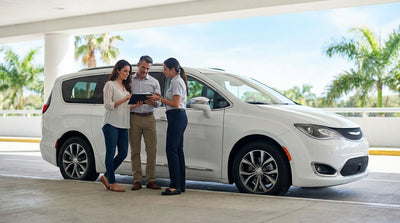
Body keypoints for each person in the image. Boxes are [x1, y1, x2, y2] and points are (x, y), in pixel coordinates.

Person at [148, 57, 188, 195]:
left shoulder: (176, 82)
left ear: (172, 69)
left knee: (171, 150)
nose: (163, 71)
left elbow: (176, 104)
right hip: (178, 117)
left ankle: (174, 186)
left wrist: (159, 99)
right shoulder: (176, 81)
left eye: (165, 69)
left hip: (176, 116)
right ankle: (180, 185)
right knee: (177, 151)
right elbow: (173, 101)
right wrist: (161, 97)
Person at [100, 59, 142, 192]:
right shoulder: (110, 85)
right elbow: (108, 105)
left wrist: (134, 105)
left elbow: (124, 107)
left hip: (123, 124)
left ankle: (106, 176)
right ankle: (112, 182)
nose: (127, 74)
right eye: (125, 71)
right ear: (117, 70)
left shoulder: (125, 87)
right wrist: (125, 99)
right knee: (110, 153)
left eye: (128, 72)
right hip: (111, 124)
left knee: (123, 153)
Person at [130, 55, 162, 190]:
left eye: (148, 68)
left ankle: (150, 180)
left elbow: (159, 102)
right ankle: (137, 180)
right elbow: (124, 98)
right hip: (134, 117)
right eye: (143, 67)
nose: (145, 71)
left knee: (151, 151)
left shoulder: (154, 82)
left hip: (149, 118)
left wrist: (153, 102)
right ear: (138, 65)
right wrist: (133, 103)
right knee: (135, 151)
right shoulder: (129, 80)